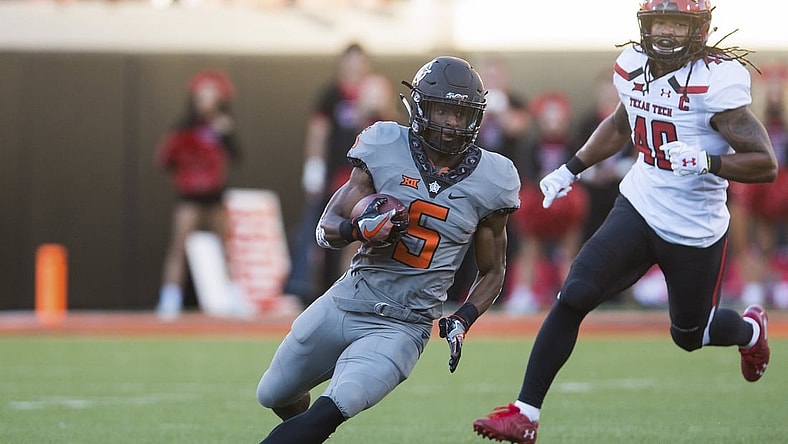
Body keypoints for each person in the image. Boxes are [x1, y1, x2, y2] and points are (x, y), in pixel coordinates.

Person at [472, 2, 775, 443]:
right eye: (660, 24)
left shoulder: (717, 81)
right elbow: (622, 124)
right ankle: (525, 414)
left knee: (691, 334)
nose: (667, 34)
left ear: (700, 29)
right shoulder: (634, 65)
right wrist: (569, 168)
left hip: (694, 229)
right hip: (639, 205)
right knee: (574, 294)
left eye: (677, 24)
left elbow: (764, 163)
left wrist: (709, 160)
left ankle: (750, 330)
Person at [255, 56, 520, 444]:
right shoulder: (384, 144)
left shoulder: (492, 179)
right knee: (273, 393)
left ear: (475, 118)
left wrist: (463, 318)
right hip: (347, 299)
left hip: (403, 323)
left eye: (459, 114)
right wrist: (357, 229)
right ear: (419, 108)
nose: (449, 124)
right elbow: (326, 228)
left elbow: (493, 270)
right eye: (441, 110)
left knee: (334, 407)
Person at [285, 43, 389, 306]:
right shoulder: (331, 94)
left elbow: (388, 127)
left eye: (359, 62)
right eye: (350, 61)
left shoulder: (375, 90)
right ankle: (311, 289)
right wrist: (314, 167)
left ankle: (358, 292)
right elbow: (318, 132)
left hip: (371, 175)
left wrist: (375, 107)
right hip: (341, 175)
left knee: (364, 236)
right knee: (328, 233)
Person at [154, 69, 240, 320]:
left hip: (214, 195)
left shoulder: (223, 127)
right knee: (179, 248)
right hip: (189, 197)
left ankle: (232, 295)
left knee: (225, 248)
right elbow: (164, 160)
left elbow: (235, 156)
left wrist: (226, 135)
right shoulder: (183, 128)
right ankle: (169, 298)